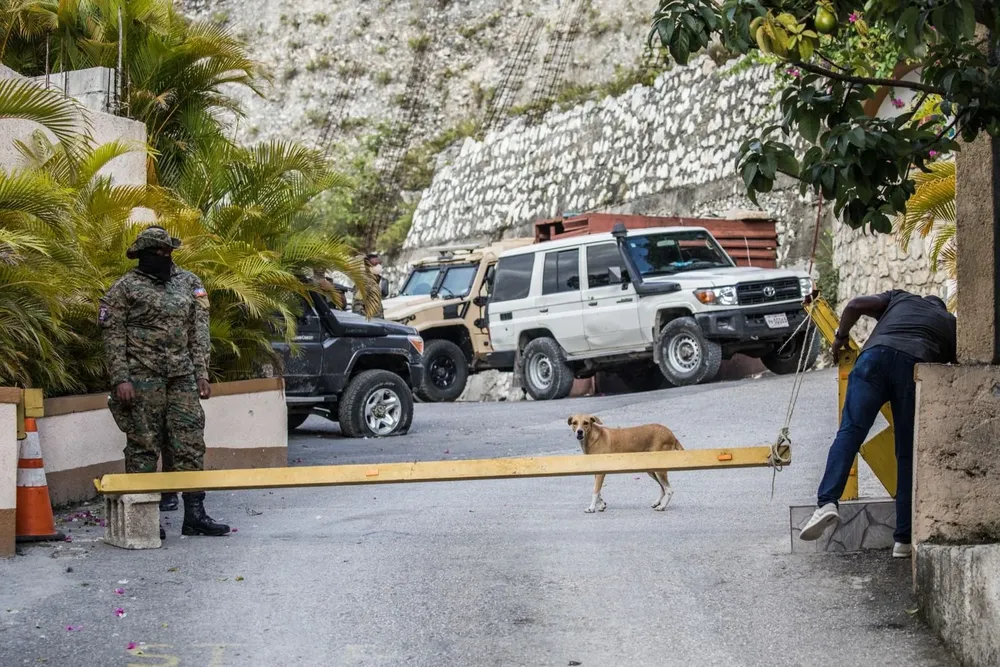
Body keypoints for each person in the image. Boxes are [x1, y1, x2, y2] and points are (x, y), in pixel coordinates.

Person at [798, 289, 956, 558]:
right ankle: (903, 540)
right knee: (906, 454)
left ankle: (827, 503)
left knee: (850, 433)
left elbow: (855, 305)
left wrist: (841, 336)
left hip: (874, 358)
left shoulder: (901, 298)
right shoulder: (950, 323)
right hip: (914, 366)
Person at [101, 226, 230, 540]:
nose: (162, 256)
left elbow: (199, 332)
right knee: (143, 446)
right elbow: (113, 337)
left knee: (190, 442)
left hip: (182, 376)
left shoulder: (190, 283)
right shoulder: (124, 288)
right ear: (142, 254)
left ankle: (195, 515)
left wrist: (201, 373)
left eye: (166, 251)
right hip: (141, 377)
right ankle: (144, 518)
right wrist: (121, 378)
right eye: (155, 252)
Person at [351, 252, 386, 319]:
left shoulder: (375, 282)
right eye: (375, 264)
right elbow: (357, 307)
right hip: (371, 322)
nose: (378, 266)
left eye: (380, 263)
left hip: (378, 321)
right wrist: (367, 321)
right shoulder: (364, 283)